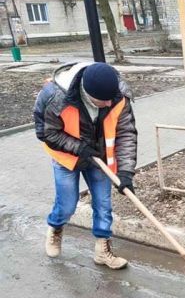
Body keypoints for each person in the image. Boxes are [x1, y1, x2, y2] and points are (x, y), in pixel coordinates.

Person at [39, 61, 137, 269]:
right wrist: (79, 147)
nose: (110, 104)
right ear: (87, 94)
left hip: (98, 158)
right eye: (104, 101)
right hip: (66, 157)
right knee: (67, 204)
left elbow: (126, 133)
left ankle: (102, 249)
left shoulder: (118, 95)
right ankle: (56, 229)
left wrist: (126, 173)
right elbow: (48, 132)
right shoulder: (58, 97)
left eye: (112, 99)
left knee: (103, 204)